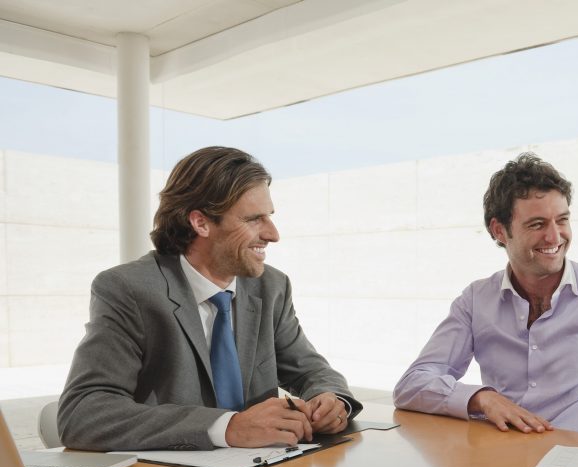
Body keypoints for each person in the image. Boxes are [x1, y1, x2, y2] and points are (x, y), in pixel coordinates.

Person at [59, 146, 362, 451]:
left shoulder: (272, 286)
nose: (273, 234)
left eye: (269, 216)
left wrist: (330, 400)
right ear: (201, 223)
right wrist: (227, 427)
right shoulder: (128, 289)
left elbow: (312, 371)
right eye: (253, 219)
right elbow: (83, 414)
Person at [394, 152, 578, 445]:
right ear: (499, 230)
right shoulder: (475, 301)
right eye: (537, 225)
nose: (555, 237)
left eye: (561, 220)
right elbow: (412, 384)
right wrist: (480, 398)